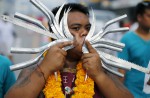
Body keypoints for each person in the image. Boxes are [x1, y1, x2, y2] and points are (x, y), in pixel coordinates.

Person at [5, 3, 133, 98]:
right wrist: (44, 69)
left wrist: (99, 75)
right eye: (76, 28)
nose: (85, 33)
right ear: (53, 33)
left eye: (88, 28)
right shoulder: (36, 68)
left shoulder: (98, 68)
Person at [118, 1, 150, 98]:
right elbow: (121, 71)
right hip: (132, 94)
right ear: (139, 17)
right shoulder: (127, 39)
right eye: (149, 15)